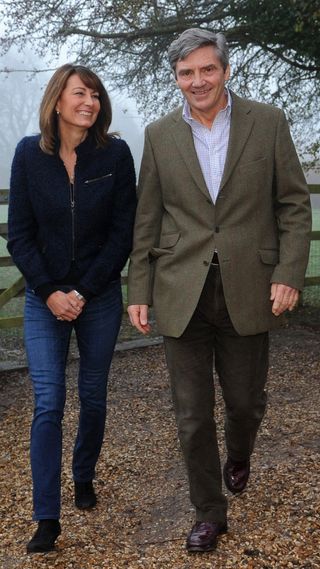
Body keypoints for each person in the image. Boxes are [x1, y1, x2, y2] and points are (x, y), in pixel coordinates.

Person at [127, 28, 311, 553]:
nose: (198, 81)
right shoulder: (160, 135)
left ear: (225, 71)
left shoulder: (268, 122)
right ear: (176, 78)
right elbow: (148, 218)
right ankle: (210, 511)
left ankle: (240, 452)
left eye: (207, 69)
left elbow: (294, 205)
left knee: (246, 403)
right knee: (190, 414)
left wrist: (289, 273)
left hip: (250, 287)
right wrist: (138, 288)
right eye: (187, 73)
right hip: (180, 290)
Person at [7, 64, 136, 553]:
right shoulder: (28, 154)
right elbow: (18, 232)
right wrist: (49, 291)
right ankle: (46, 518)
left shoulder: (115, 154)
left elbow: (123, 232)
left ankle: (83, 474)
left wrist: (82, 290)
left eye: (96, 95)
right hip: (45, 300)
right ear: (56, 100)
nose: (90, 102)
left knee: (93, 394)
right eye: (80, 93)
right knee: (48, 402)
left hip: (98, 296)